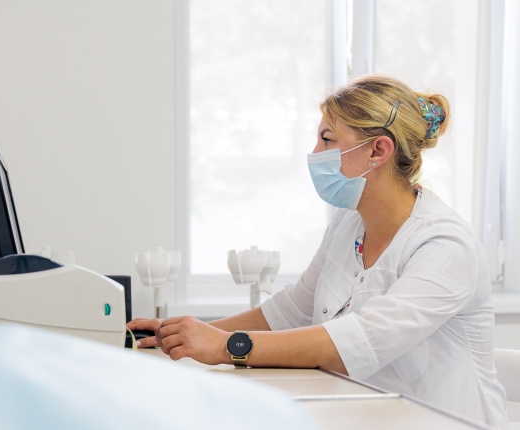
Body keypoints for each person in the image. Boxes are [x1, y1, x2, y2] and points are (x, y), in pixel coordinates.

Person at [128, 75, 508, 429]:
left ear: (378, 150)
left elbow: (360, 341)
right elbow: (288, 311)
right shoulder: (348, 224)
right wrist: (181, 334)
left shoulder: (445, 245)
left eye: (327, 140)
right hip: (369, 415)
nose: (314, 153)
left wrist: (226, 346)